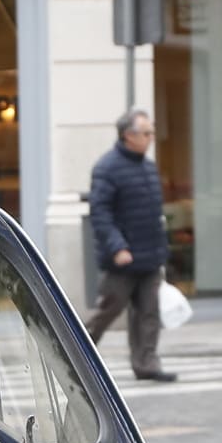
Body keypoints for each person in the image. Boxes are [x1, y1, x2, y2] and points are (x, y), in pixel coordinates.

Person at [85, 109, 174, 380]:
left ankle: (147, 364)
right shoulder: (107, 168)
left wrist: (161, 251)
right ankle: (78, 355)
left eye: (151, 132)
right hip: (122, 258)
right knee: (109, 309)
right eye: (146, 133)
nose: (150, 138)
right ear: (128, 136)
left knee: (149, 314)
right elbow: (100, 213)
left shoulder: (148, 167)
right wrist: (118, 247)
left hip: (149, 256)